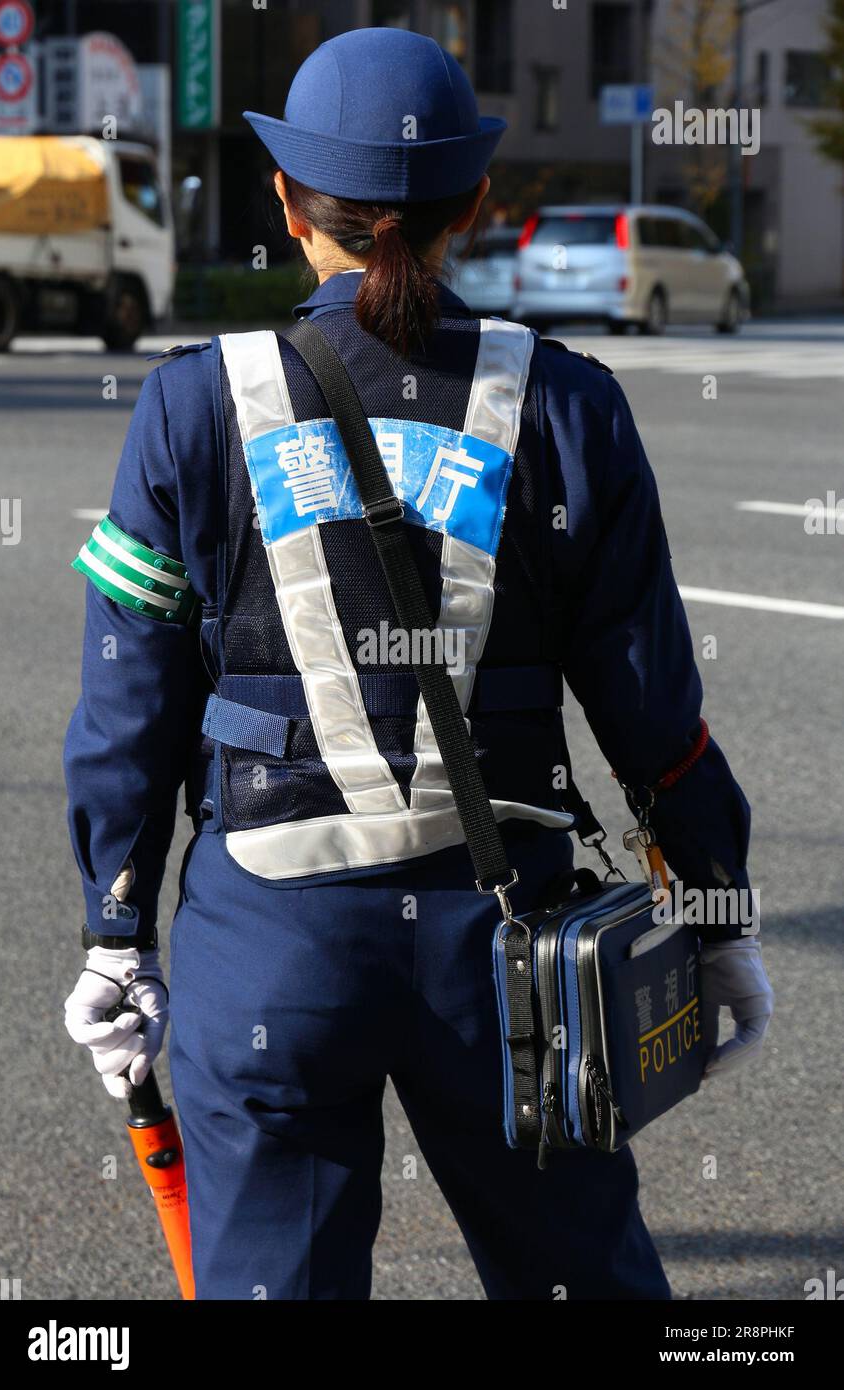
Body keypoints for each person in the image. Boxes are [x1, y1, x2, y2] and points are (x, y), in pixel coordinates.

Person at [62, 27, 772, 1301]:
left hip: (270, 936)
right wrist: (714, 897)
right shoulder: (564, 403)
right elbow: (650, 705)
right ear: (475, 206)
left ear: (286, 204)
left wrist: (118, 931)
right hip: (509, 950)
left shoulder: (188, 402)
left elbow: (131, 694)